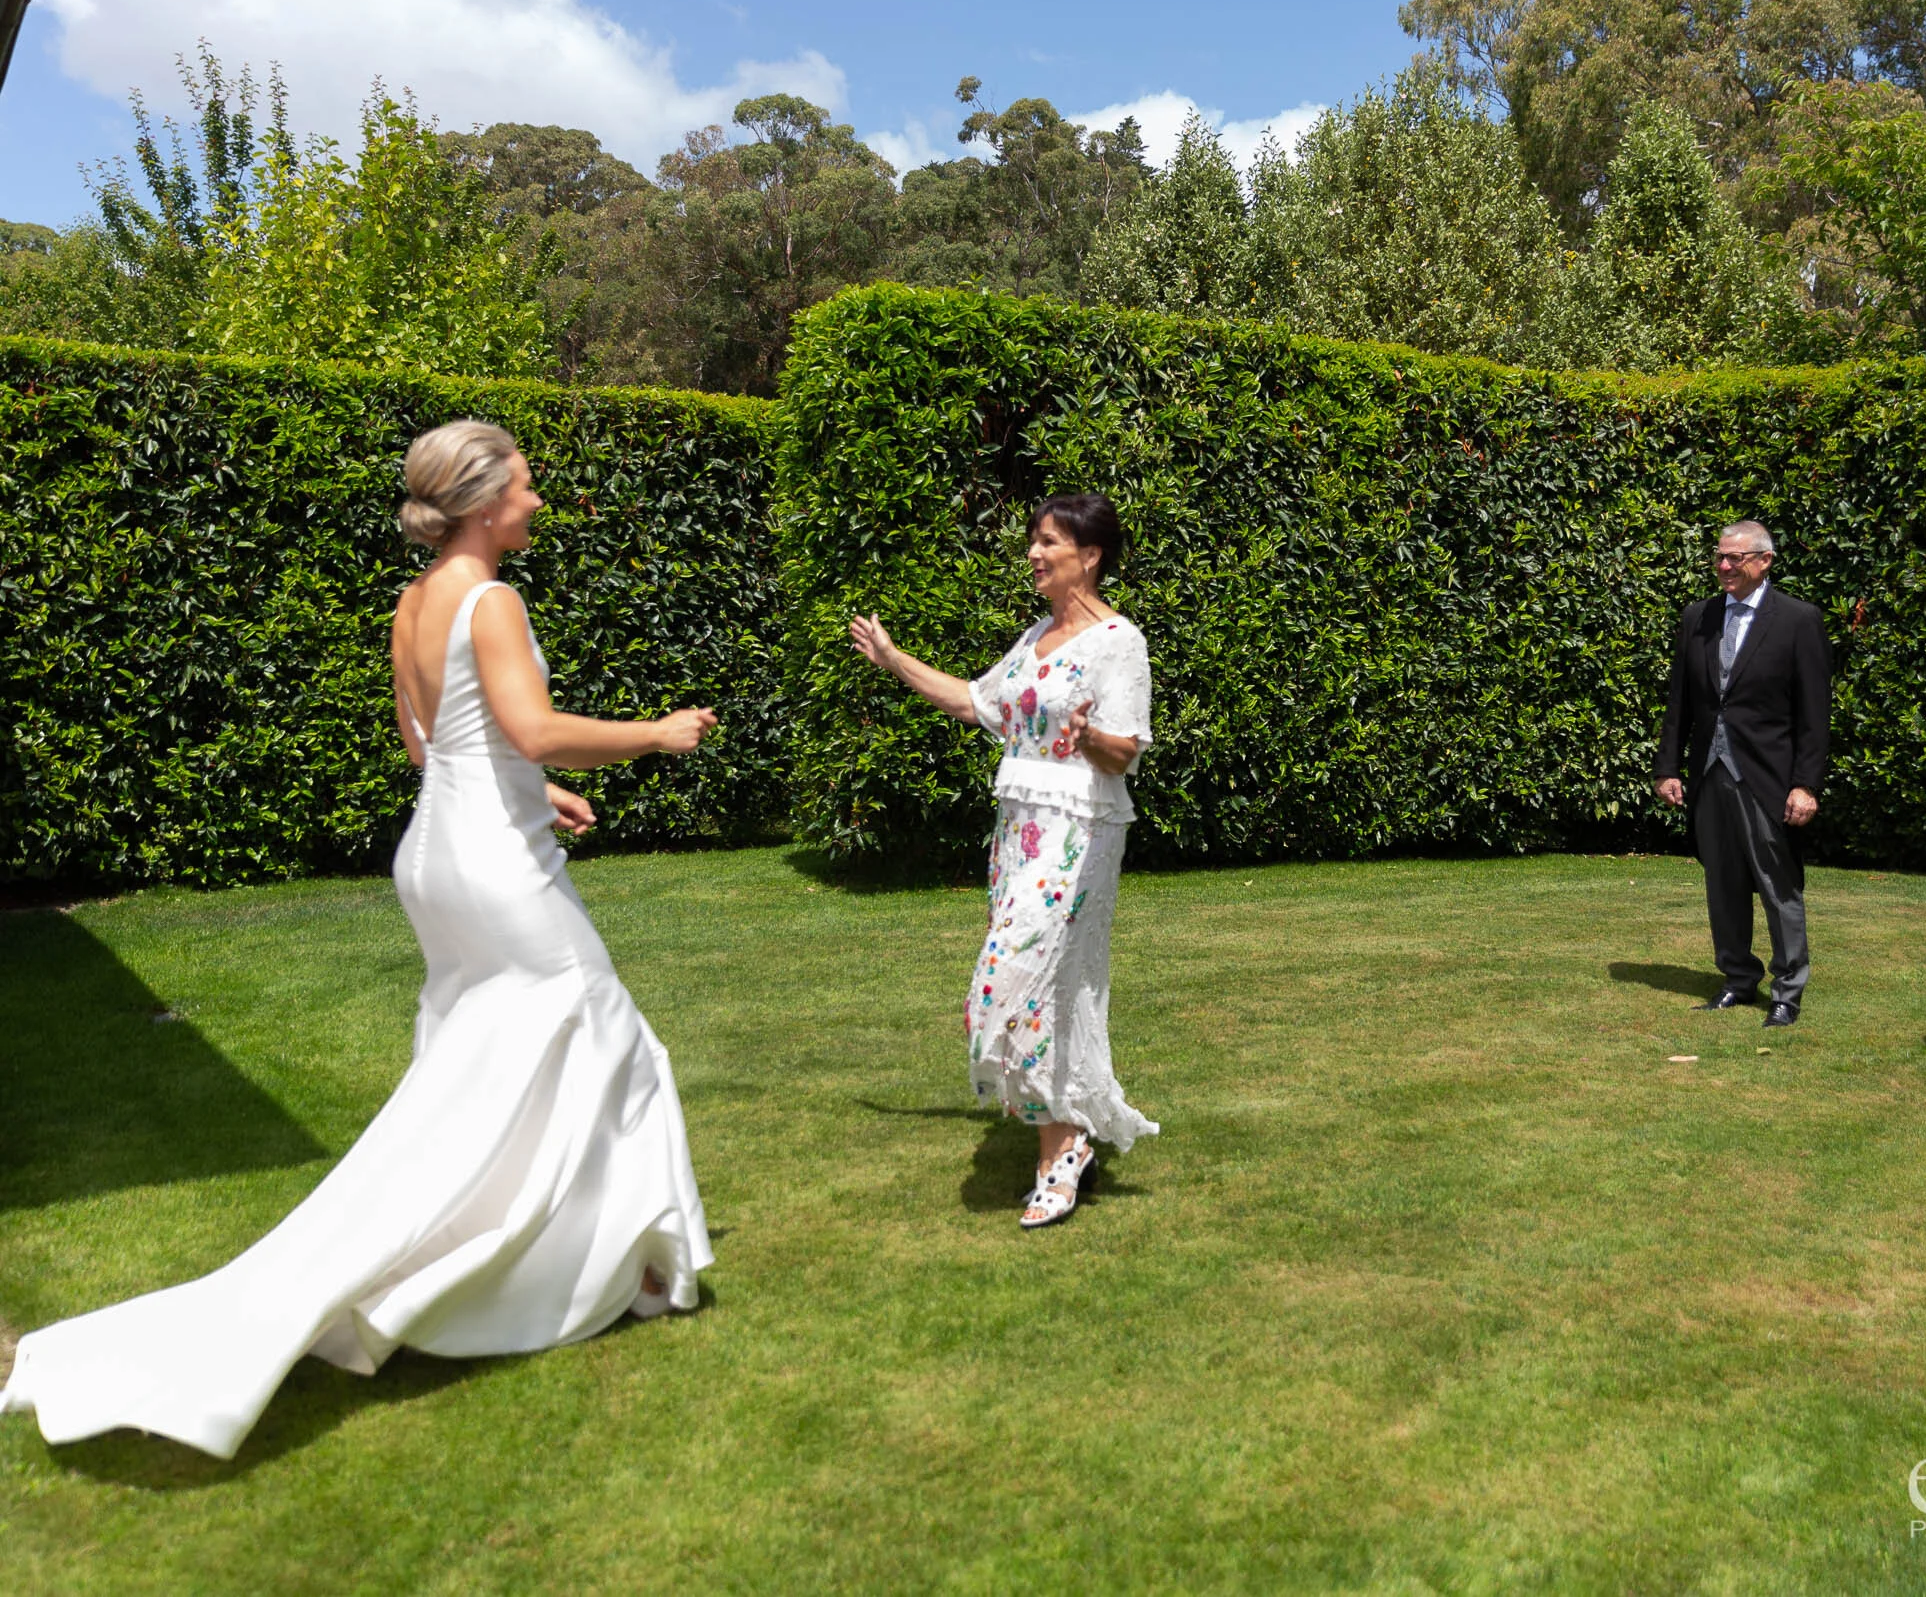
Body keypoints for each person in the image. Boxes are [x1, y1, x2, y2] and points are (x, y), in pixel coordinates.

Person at [0, 421, 718, 1459]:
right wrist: (654, 733)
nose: (538, 500)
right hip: (490, 867)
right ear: (481, 502)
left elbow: (429, 738)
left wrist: (533, 792)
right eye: (525, 486)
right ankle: (596, 1262)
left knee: (487, 1070)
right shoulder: (493, 597)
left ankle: (541, 1256)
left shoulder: (415, 598)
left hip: (438, 849)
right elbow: (531, 726)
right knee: (604, 1031)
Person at [849, 493, 1158, 1228]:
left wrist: (1085, 738)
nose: (1034, 553)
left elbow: (1126, 750)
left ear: (1090, 555)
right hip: (1018, 835)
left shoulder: (1119, 641)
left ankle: (1065, 1147)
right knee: (1038, 993)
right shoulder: (1033, 638)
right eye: (1033, 541)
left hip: (1079, 833)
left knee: (1007, 984)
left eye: (1048, 542)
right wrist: (894, 661)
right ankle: (1062, 1148)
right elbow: (975, 703)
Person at [1652, 520, 1832, 1028]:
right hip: (1710, 771)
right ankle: (1736, 978)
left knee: (1779, 887)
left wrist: (1806, 783)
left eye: (1736, 558)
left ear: (1765, 561)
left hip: (1768, 776)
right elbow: (1680, 702)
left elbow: (1814, 714)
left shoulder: (1798, 620)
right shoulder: (1698, 618)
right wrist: (1667, 767)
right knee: (1723, 884)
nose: (1725, 566)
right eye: (1720, 557)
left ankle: (1788, 990)